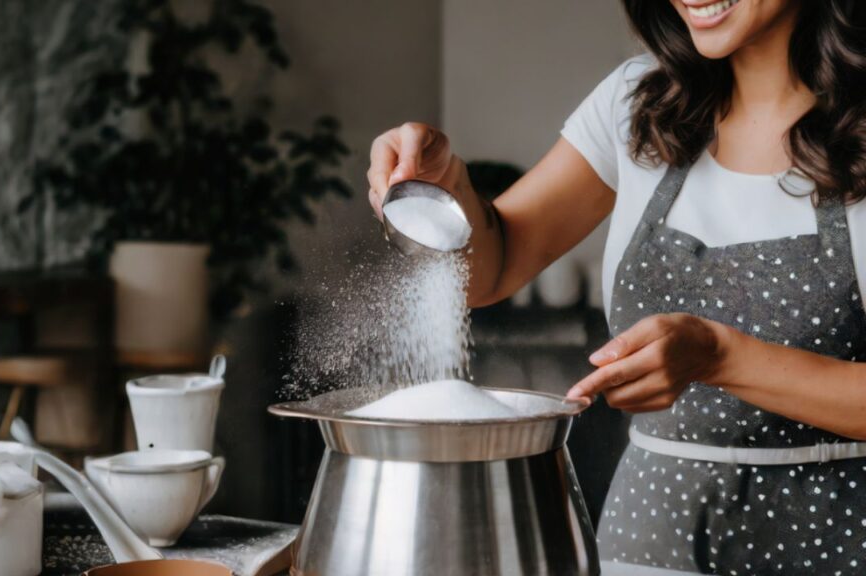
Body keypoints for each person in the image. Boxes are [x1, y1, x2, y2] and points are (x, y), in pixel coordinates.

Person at [367, 0, 866, 573]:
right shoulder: (640, 102)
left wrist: (719, 356)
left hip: (837, 538)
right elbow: (493, 267)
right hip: (650, 539)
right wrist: (446, 183)